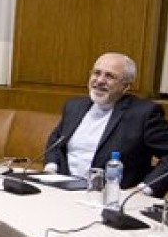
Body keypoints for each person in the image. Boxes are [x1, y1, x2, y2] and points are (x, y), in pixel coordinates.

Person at [44, 52, 168, 194]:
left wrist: (143, 190)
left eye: (109, 76)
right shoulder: (74, 106)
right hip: (62, 191)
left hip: (112, 199)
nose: (100, 80)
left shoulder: (143, 114)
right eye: (97, 73)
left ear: (126, 86)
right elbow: (56, 140)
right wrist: (51, 168)